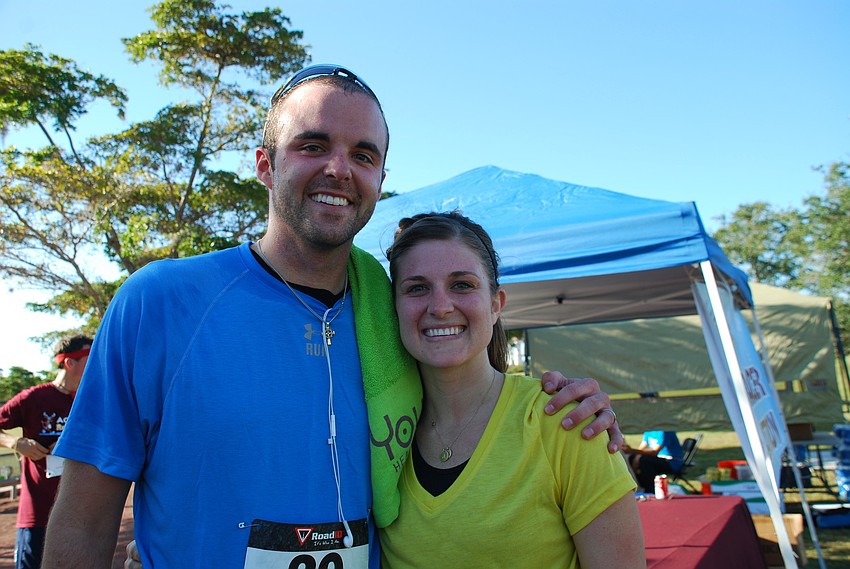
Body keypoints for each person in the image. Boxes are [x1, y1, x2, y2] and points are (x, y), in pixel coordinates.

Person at [42, 64, 621, 568]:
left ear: (379, 182)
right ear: (266, 165)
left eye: (363, 155)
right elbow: (84, 523)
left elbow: (476, 397)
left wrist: (578, 404)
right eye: (313, 146)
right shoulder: (160, 302)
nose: (340, 170)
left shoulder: (395, 322)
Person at [376, 211, 644, 568]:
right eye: (416, 288)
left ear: (495, 304)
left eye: (462, 285)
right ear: (393, 309)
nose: (440, 307)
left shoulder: (567, 420)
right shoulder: (379, 437)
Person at [0, 334, 92, 569]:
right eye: (89, 358)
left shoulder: (88, 401)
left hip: (77, 515)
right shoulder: (33, 398)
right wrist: (15, 443)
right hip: (37, 515)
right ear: (70, 363)